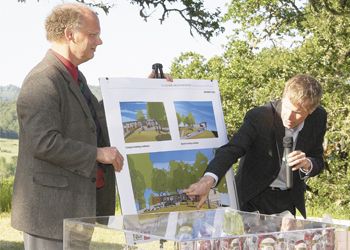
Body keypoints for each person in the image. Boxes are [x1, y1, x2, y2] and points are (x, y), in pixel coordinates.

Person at [11, 3, 124, 249]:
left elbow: (93, 120)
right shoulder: (43, 79)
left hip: (75, 210)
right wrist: (98, 153)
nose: (100, 41)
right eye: (93, 34)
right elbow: (43, 142)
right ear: (70, 35)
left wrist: (139, 90)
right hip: (50, 214)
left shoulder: (74, 75)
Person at [185, 74, 327, 218]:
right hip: (251, 199)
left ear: (311, 111)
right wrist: (208, 180)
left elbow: (318, 159)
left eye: (297, 113)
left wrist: (307, 164)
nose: (289, 117)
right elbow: (232, 149)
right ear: (283, 97)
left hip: (288, 202)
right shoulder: (259, 117)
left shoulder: (318, 118)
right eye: (287, 108)